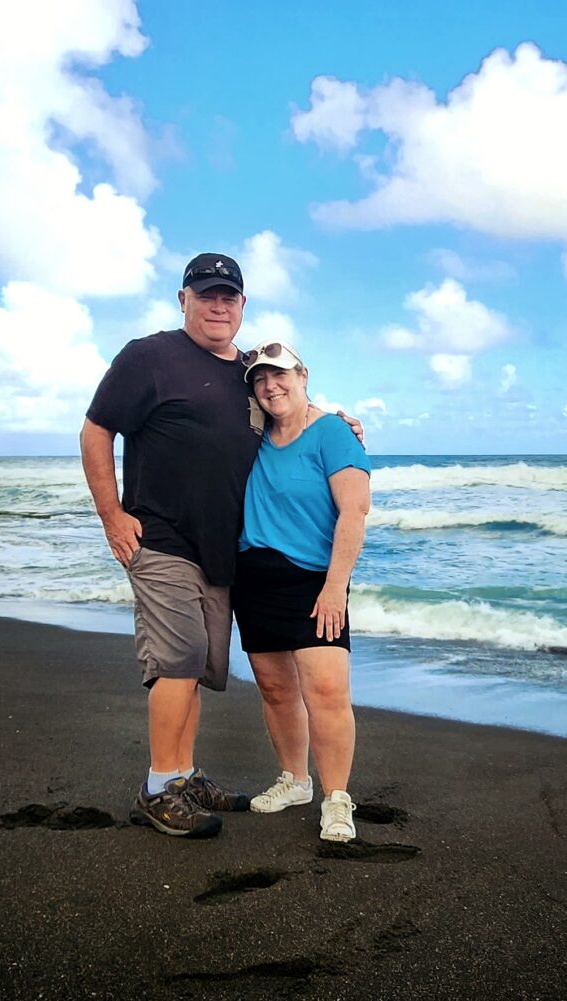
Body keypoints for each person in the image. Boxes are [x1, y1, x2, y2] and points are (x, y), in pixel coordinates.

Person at [80, 255, 362, 839]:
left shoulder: (246, 376)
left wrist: (335, 421)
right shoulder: (148, 357)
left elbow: (286, 412)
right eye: (206, 295)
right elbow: (96, 430)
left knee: (201, 668)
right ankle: (159, 787)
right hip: (162, 539)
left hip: (222, 554)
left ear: (242, 306)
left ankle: (183, 775)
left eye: (228, 297)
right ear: (182, 298)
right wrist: (111, 514)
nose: (217, 306)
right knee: (177, 660)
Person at [232, 340, 371, 843]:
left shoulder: (333, 432)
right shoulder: (252, 435)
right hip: (253, 576)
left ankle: (337, 798)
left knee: (328, 692)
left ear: (303, 374)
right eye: (260, 380)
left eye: (280, 375)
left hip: (315, 580)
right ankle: (295, 780)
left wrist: (336, 588)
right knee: (275, 690)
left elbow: (355, 511)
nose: (271, 385)